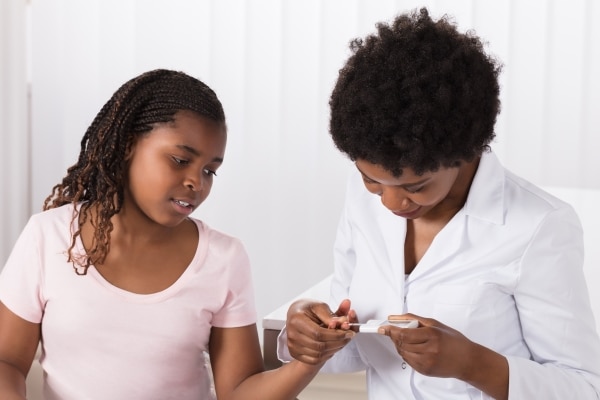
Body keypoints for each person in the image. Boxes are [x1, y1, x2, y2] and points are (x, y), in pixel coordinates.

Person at [277, 8, 600, 400]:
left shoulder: (537, 225)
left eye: (416, 185)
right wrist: (310, 329)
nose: (392, 202)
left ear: (463, 151)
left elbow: (583, 387)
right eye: (373, 182)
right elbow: (356, 348)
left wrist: (473, 364)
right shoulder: (363, 199)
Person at [0, 69, 330, 400]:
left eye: (209, 171)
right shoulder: (48, 238)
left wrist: (307, 362)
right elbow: (7, 362)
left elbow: (239, 392)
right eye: (180, 159)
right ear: (128, 144)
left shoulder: (224, 258)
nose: (196, 183)